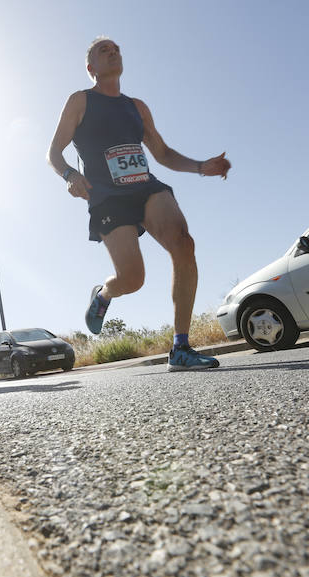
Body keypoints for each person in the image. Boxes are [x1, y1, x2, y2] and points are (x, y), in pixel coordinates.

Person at [47, 37, 231, 370]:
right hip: (107, 196)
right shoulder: (79, 101)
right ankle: (104, 294)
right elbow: (54, 153)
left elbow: (162, 154)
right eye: (104, 51)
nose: (113, 52)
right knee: (133, 279)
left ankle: (181, 347)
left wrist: (202, 167)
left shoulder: (137, 106)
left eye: (116, 48)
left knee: (183, 243)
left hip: (145, 187)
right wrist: (70, 176)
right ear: (91, 68)